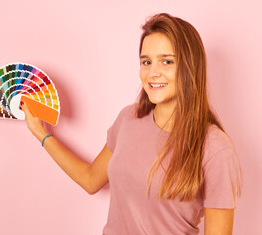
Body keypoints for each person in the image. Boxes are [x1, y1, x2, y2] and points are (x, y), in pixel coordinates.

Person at [20, 13, 242, 235]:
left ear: (190, 66)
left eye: (167, 61)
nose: (152, 73)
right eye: (146, 62)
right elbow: (90, 180)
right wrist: (40, 133)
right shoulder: (128, 119)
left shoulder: (215, 148)